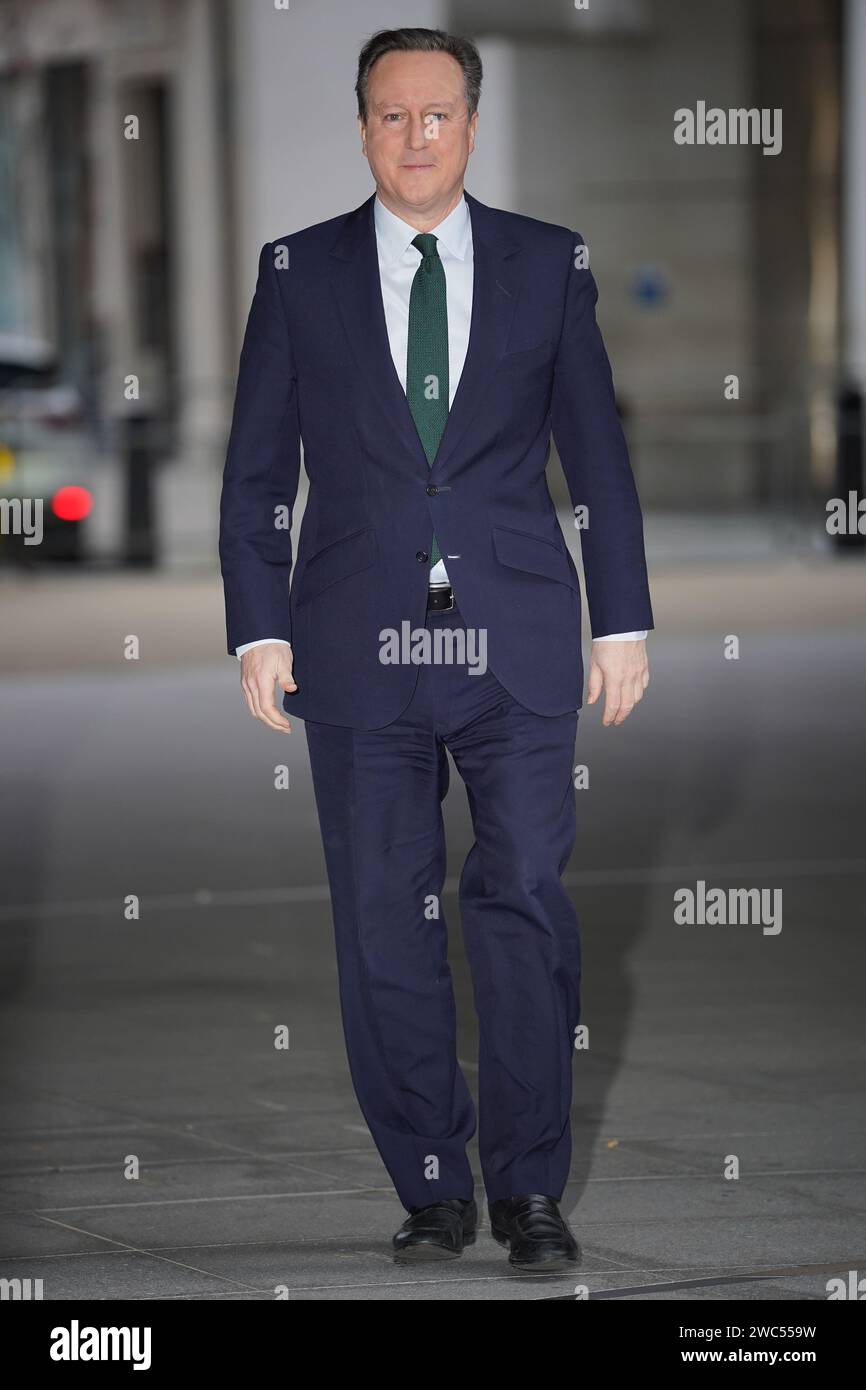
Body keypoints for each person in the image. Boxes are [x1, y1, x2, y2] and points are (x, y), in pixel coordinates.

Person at [219, 26, 652, 1274]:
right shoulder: (297, 272)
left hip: (514, 645)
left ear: (470, 122)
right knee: (380, 922)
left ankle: (525, 1190)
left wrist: (617, 619)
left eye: (438, 115)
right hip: (353, 648)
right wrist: (259, 624)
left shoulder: (544, 262)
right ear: (363, 125)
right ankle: (427, 1185)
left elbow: (599, 466)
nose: (416, 137)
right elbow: (256, 476)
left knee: (520, 904)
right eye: (391, 115)